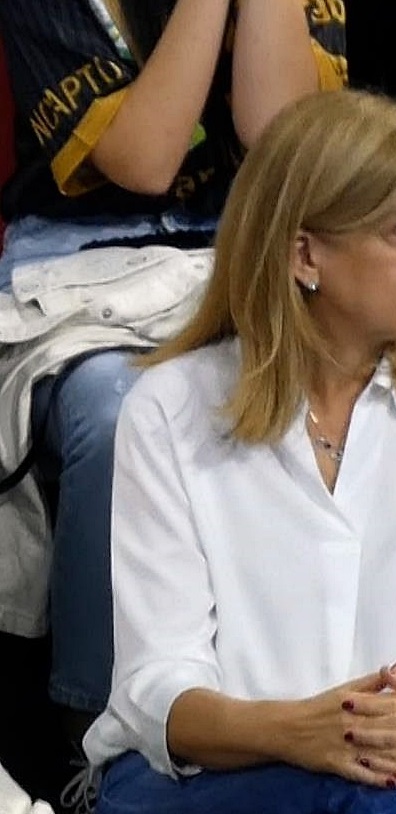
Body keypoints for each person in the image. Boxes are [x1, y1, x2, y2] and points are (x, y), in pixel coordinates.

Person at [82, 88, 396, 814]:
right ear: (305, 252)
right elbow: (157, 688)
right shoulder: (169, 409)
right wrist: (300, 732)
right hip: (211, 780)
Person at [0, 0, 347, 743]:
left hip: (251, 244)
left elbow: (282, 134)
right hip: (90, 263)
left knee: (371, 376)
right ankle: (96, 731)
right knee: (120, 411)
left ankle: (315, 695)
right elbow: (147, 158)